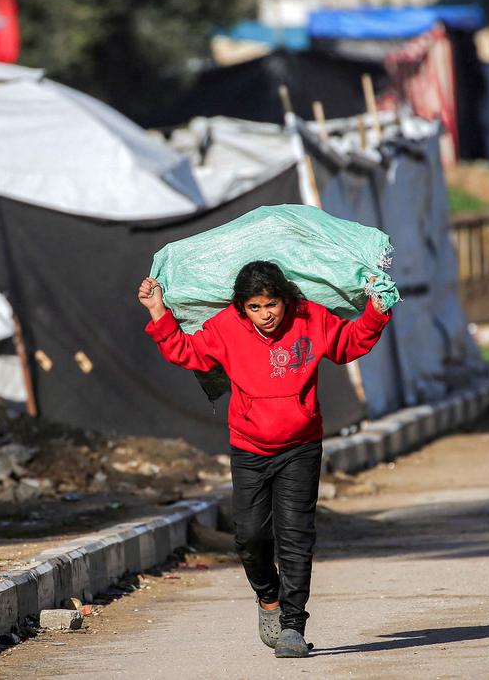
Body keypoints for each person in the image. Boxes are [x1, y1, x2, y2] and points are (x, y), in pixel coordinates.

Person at [137, 261, 391, 658]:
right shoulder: (226, 327)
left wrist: (377, 308)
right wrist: (157, 310)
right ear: (242, 308)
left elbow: (349, 343)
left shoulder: (311, 318)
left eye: (271, 304)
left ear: (285, 300)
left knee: (296, 537)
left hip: (301, 447)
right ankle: (268, 598)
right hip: (249, 449)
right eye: (254, 307)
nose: (265, 314)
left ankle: (293, 626)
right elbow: (187, 351)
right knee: (250, 537)